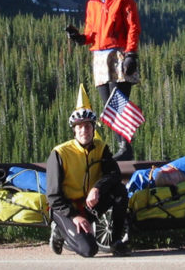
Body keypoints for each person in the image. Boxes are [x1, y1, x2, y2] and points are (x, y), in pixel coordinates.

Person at [65, 0, 141, 161]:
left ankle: (126, 147)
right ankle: (121, 146)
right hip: (99, 56)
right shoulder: (92, 3)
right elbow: (91, 33)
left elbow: (133, 28)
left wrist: (131, 54)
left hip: (119, 55)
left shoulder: (124, 0)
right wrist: (80, 38)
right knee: (107, 105)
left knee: (118, 102)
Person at [46, 108, 130, 257]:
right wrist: (74, 216)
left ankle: (116, 241)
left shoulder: (101, 148)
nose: (84, 130)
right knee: (88, 250)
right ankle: (59, 230)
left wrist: (97, 188)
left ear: (93, 128)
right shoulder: (60, 153)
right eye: (80, 127)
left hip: (88, 205)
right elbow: (53, 196)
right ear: (74, 130)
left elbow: (114, 174)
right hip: (65, 208)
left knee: (120, 191)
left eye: (88, 126)